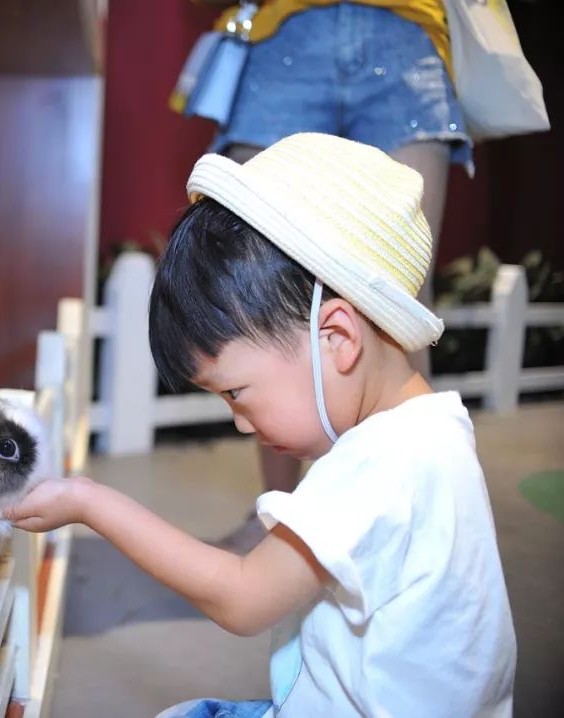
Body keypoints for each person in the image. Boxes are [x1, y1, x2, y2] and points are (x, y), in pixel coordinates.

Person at [4, 134, 515, 716]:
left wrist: (89, 502)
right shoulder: (431, 431)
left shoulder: (382, 464)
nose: (242, 426)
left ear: (338, 338)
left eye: (238, 393)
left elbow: (242, 596)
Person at [193, 0, 473, 550]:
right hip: (282, 32)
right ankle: (275, 519)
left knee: (402, 297)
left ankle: (412, 525)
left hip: (408, 35)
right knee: (256, 288)